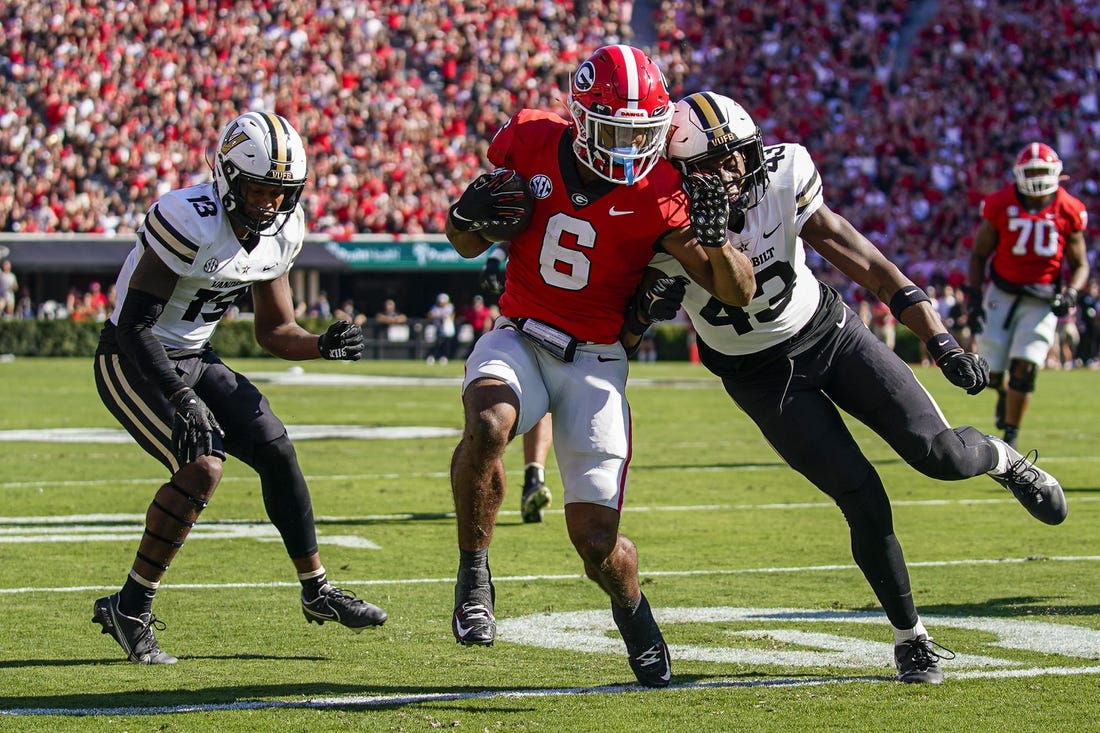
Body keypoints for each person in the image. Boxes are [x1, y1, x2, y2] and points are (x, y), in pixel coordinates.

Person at [632, 91, 1067, 684]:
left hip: (832, 335)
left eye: (736, 156)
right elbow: (645, 312)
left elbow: (862, 258)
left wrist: (938, 339)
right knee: (860, 496)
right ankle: (910, 636)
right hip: (759, 376)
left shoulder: (784, 174)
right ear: (679, 170)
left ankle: (1003, 458)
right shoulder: (656, 210)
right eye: (713, 164)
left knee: (940, 455)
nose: (732, 172)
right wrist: (643, 301)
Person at [445, 46, 755, 687]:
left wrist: (718, 235)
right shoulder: (531, 139)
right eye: (615, 131)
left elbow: (737, 292)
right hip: (521, 334)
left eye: (643, 134)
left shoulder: (665, 188)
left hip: (596, 360)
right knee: (490, 423)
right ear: (580, 118)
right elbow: (467, 241)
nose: (628, 148)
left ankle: (634, 613)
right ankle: (474, 572)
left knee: (595, 544)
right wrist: (465, 218)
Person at [91, 111, 386, 665]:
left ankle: (317, 588)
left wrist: (320, 344)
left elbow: (275, 330)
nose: (270, 205)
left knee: (274, 444)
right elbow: (134, 327)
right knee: (204, 465)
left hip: (195, 357)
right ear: (226, 177)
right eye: (258, 189)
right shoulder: (189, 218)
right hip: (132, 357)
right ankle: (131, 608)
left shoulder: (280, 233)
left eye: (282, 193)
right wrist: (181, 398)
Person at [966, 142, 1091, 448]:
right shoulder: (1000, 203)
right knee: (990, 373)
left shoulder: (1068, 208)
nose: (1036, 178)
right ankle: (1003, 392)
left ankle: (1010, 436)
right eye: (1031, 171)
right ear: (1018, 174)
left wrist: (1071, 294)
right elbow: (979, 255)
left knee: (1026, 366)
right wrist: (973, 298)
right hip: (1003, 291)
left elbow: (1080, 264)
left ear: (1056, 174)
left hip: (1042, 298)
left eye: (1041, 171)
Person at [480, 245, 555, 524]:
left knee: (527, 397)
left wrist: (492, 261)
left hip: (538, 314)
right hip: (542, 312)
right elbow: (515, 225)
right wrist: (493, 260)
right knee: (538, 396)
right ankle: (533, 475)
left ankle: (522, 477)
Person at [426, 292, 456, 364]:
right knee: (436, 343)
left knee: (446, 343)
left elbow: (451, 316)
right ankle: (433, 356)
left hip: (446, 329)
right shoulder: (435, 308)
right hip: (437, 328)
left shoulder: (449, 307)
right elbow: (430, 315)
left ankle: (444, 357)